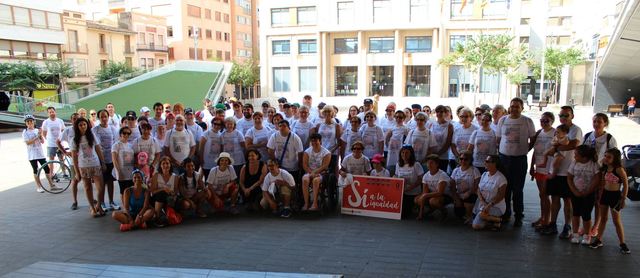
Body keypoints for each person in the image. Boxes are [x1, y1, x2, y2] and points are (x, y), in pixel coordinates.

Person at [542, 106, 583, 237]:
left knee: (567, 200)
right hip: (555, 170)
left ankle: (567, 226)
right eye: (561, 116)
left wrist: (557, 147)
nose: (563, 118)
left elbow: (574, 144)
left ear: (572, 116)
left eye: (566, 115)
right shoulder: (557, 130)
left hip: (568, 171)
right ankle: (552, 224)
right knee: (554, 198)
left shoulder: (576, 129)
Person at [496, 97, 536, 227]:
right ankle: (506, 213)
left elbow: (533, 138)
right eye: (512, 106)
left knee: (518, 189)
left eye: (517, 106)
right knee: (505, 188)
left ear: (522, 108)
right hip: (504, 159)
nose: (514, 109)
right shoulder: (502, 120)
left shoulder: (527, 121)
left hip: (520, 159)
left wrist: (526, 150)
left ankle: (518, 215)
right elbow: (498, 139)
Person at [582, 113, 618, 238]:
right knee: (586, 200)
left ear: (605, 124)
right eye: (595, 121)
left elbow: (615, 157)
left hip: (602, 174)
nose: (596, 124)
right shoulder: (587, 136)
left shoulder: (609, 139)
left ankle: (595, 226)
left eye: (600, 122)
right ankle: (586, 224)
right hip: (587, 173)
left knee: (599, 201)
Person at [590, 148, 631, 254]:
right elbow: (603, 183)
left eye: (609, 157)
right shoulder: (604, 169)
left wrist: (623, 198)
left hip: (615, 196)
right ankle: (598, 239)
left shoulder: (618, 169)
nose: (606, 158)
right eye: (605, 156)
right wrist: (600, 196)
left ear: (615, 158)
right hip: (605, 195)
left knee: (616, 221)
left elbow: (626, 184)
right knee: (603, 219)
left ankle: (622, 243)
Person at [71, 117, 107, 217]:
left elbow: (98, 149)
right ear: (77, 127)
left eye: (84, 124)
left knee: (100, 187)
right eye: (80, 125)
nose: (83, 127)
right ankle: (92, 207)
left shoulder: (92, 136)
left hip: (95, 164)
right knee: (87, 187)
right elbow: (74, 156)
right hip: (83, 166)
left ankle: (98, 205)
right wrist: (77, 172)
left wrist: (103, 162)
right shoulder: (74, 140)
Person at [567, 145, 600, 245]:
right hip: (575, 192)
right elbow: (569, 177)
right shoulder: (574, 163)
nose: (574, 157)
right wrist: (574, 191)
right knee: (575, 213)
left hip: (589, 193)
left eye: (576, 155)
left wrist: (588, 191)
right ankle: (575, 234)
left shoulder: (594, 164)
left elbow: (597, 178)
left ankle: (587, 235)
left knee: (586, 214)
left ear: (584, 157)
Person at [529, 112, 555, 232]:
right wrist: (531, 166)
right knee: (541, 195)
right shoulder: (539, 132)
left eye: (547, 121)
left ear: (552, 122)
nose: (544, 123)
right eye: (542, 121)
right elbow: (535, 151)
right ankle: (543, 217)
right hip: (539, 167)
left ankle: (547, 220)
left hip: (548, 168)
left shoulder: (555, 133)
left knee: (545, 194)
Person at [472, 155, 508, 230]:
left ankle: (499, 220)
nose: (484, 163)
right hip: (483, 204)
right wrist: (482, 201)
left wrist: (489, 205)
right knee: (477, 219)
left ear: (494, 164)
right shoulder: (484, 174)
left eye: (487, 161)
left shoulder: (501, 178)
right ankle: (493, 221)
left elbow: (501, 196)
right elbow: (478, 189)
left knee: (476, 225)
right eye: (485, 161)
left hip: (495, 206)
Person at [93, 109, 119, 211]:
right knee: (102, 182)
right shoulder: (95, 130)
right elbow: (96, 146)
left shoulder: (113, 129)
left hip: (111, 159)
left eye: (105, 117)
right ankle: (102, 202)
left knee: (110, 181)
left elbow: (115, 143)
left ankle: (111, 201)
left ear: (108, 117)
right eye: (102, 117)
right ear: (99, 118)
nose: (104, 119)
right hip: (99, 160)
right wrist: (102, 161)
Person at [23, 114, 55, 193]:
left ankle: (52, 185)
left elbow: (42, 142)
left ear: (34, 122)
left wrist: (40, 136)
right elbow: (28, 143)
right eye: (28, 122)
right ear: (26, 123)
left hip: (40, 153)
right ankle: (39, 187)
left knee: (47, 169)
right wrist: (37, 137)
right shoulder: (25, 132)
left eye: (31, 121)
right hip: (32, 155)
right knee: (36, 170)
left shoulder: (37, 130)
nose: (30, 123)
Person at [415, 154, 452, 221]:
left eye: (431, 163)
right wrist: (420, 214)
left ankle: (444, 211)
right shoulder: (426, 175)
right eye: (428, 163)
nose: (429, 165)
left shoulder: (442, 175)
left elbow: (440, 192)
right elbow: (425, 192)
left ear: (437, 164)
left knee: (433, 201)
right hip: (432, 194)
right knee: (417, 199)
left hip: (445, 195)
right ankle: (426, 212)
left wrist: (425, 195)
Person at [301, 133, 331, 211]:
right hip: (310, 171)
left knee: (315, 180)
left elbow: (324, 166)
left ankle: (315, 203)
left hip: (321, 173)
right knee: (305, 179)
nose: (314, 142)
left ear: (320, 141)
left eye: (316, 141)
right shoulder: (307, 151)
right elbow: (304, 165)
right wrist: (311, 173)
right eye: (312, 141)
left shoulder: (326, 153)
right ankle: (306, 203)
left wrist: (315, 173)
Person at [57, 113, 80, 209]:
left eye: (77, 119)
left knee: (87, 181)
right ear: (71, 120)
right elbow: (58, 141)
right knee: (74, 180)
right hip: (73, 160)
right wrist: (65, 152)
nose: (75, 120)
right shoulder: (67, 130)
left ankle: (91, 199)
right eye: (74, 119)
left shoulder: (83, 129)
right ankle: (74, 201)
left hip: (85, 159)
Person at [395, 145, 424, 219]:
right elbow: (396, 176)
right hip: (401, 193)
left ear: (411, 154)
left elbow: (421, 179)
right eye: (403, 152)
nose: (404, 154)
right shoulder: (398, 164)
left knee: (403, 214)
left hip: (413, 193)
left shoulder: (416, 164)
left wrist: (410, 188)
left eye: (407, 153)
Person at [451, 151, 481, 223]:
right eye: (461, 159)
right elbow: (452, 185)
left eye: (466, 159)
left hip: (471, 193)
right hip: (459, 194)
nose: (463, 161)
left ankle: (470, 216)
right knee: (458, 213)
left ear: (470, 160)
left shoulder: (474, 170)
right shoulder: (456, 170)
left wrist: (468, 194)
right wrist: (456, 198)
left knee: (468, 201)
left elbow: (477, 185)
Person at [313, 105, 342, 177]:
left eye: (329, 111)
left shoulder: (336, 126)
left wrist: (331, 151)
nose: (327, 113)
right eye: (325, 111)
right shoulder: (319, 125)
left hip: (332, 152)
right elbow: (316, 139)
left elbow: (339, 142)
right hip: (320, 152)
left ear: (332, 113)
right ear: (323, 113)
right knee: (321, 172)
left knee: (331, 173)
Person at [149, 156, 178, 227]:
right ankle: (157, 217)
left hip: (169, 198)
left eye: (167, 163)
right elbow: (152, 191)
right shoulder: (156, 175)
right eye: (163, 163)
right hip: (156, 199)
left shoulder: (175, 177)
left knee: (171, 198)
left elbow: (176, 191)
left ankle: (165, 216)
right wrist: (163, 189)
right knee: (161, 194)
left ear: (170, 165)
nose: (165, 165)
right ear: (160, 165)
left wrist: (172, 193)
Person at [111, 126, 135, 205]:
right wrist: (119, 172)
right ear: (120, 134)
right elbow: (114, 160)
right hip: (121, 172)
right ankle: (125, 208)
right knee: (123, 191)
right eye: (124, 133)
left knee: (130, 190)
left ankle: (130, 206)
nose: (126, 135)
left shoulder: (130, 145)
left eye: (128, 133)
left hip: (130, 172)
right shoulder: (116, 145)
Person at [430, 105, 454, 172]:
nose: (439, 113)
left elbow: (448, 142)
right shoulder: (431, 124)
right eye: (437, 112)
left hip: (443, 156)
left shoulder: (449, 126)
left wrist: (439, 153)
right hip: (432, 155)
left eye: (441, 112)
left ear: (445, 113)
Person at [385, 110, 408, 175]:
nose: (398, 119)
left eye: (400, 117)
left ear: (403, 118)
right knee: (390, 168)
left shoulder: (405, 128)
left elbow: (408, 140)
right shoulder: (392, 128)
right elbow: (387, 138)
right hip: (392, 151)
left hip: (401, 152)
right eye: (397, 117)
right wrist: (388, 145)